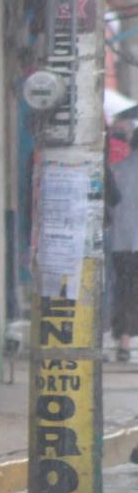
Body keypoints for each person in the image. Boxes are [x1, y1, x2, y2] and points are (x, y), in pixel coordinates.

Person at [110, 126, 138, 363]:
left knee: (125, 290)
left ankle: (124, 343)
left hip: (120, 243)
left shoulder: (117, 171)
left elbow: (110, 207)